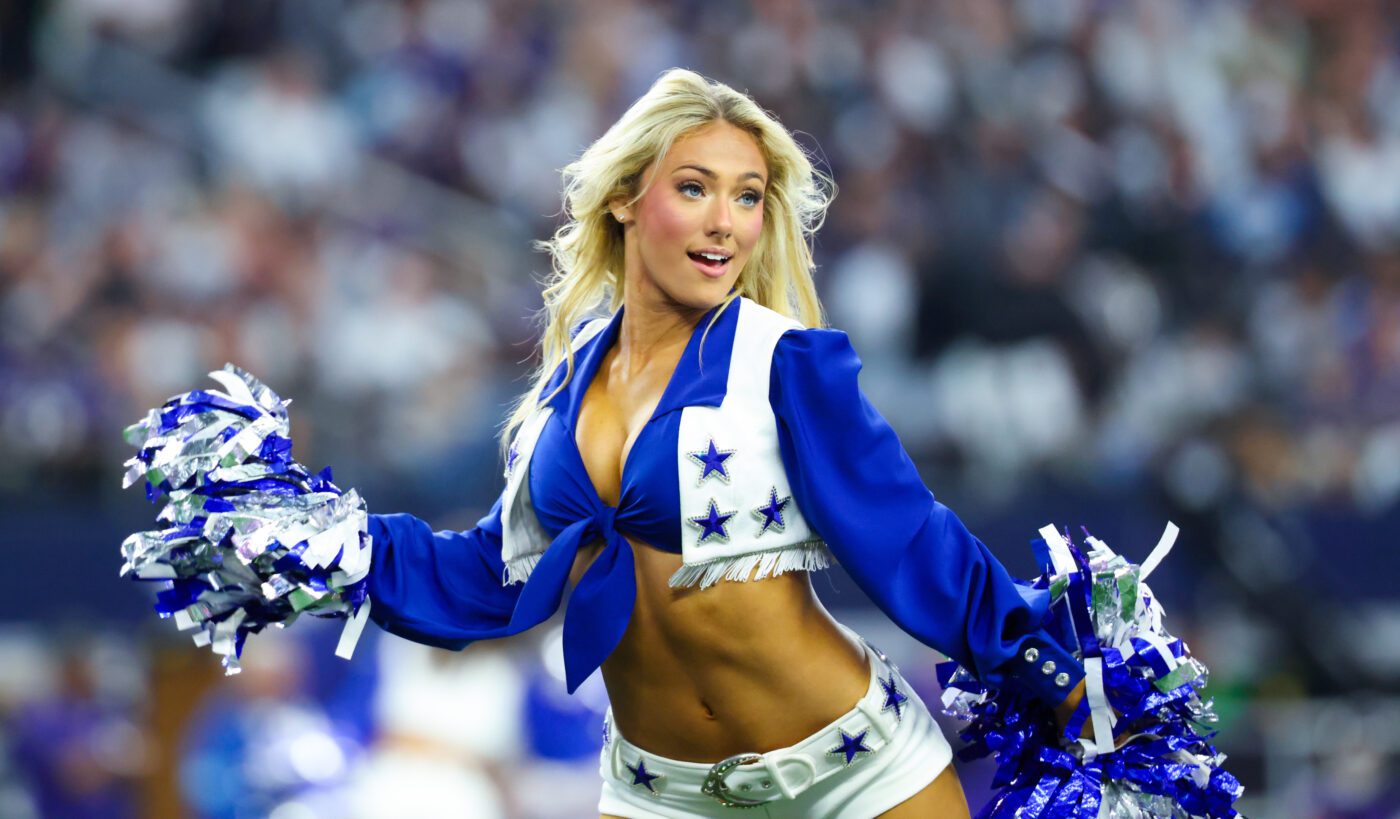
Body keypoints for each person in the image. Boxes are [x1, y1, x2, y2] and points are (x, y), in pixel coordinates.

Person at [365, 68, 1088, 818]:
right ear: (624, 199)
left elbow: (908, 540)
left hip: (854, 777)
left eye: (747, 196)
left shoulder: (782, 361)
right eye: (694, 188)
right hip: (660, 795)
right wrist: (336, 550)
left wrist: (1059, 674)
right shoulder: (566, 383)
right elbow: (492, 574)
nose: (725, 223)